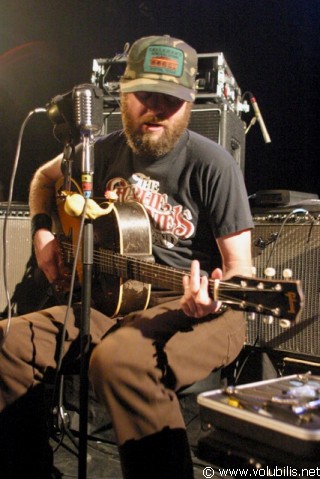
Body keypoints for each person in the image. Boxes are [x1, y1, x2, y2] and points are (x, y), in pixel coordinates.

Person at [0, 35, 253, 478]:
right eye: (145, 95)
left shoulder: (213, 165)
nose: (156, 108)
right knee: (6, 344)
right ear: (123, 93)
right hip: (112, 303)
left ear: (190, 103)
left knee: (118, 363)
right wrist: (43, 233)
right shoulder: (100, 150)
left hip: (202, 307)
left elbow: (240, 272)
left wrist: (209, 300)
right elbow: (44, 176)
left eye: (171, 99)